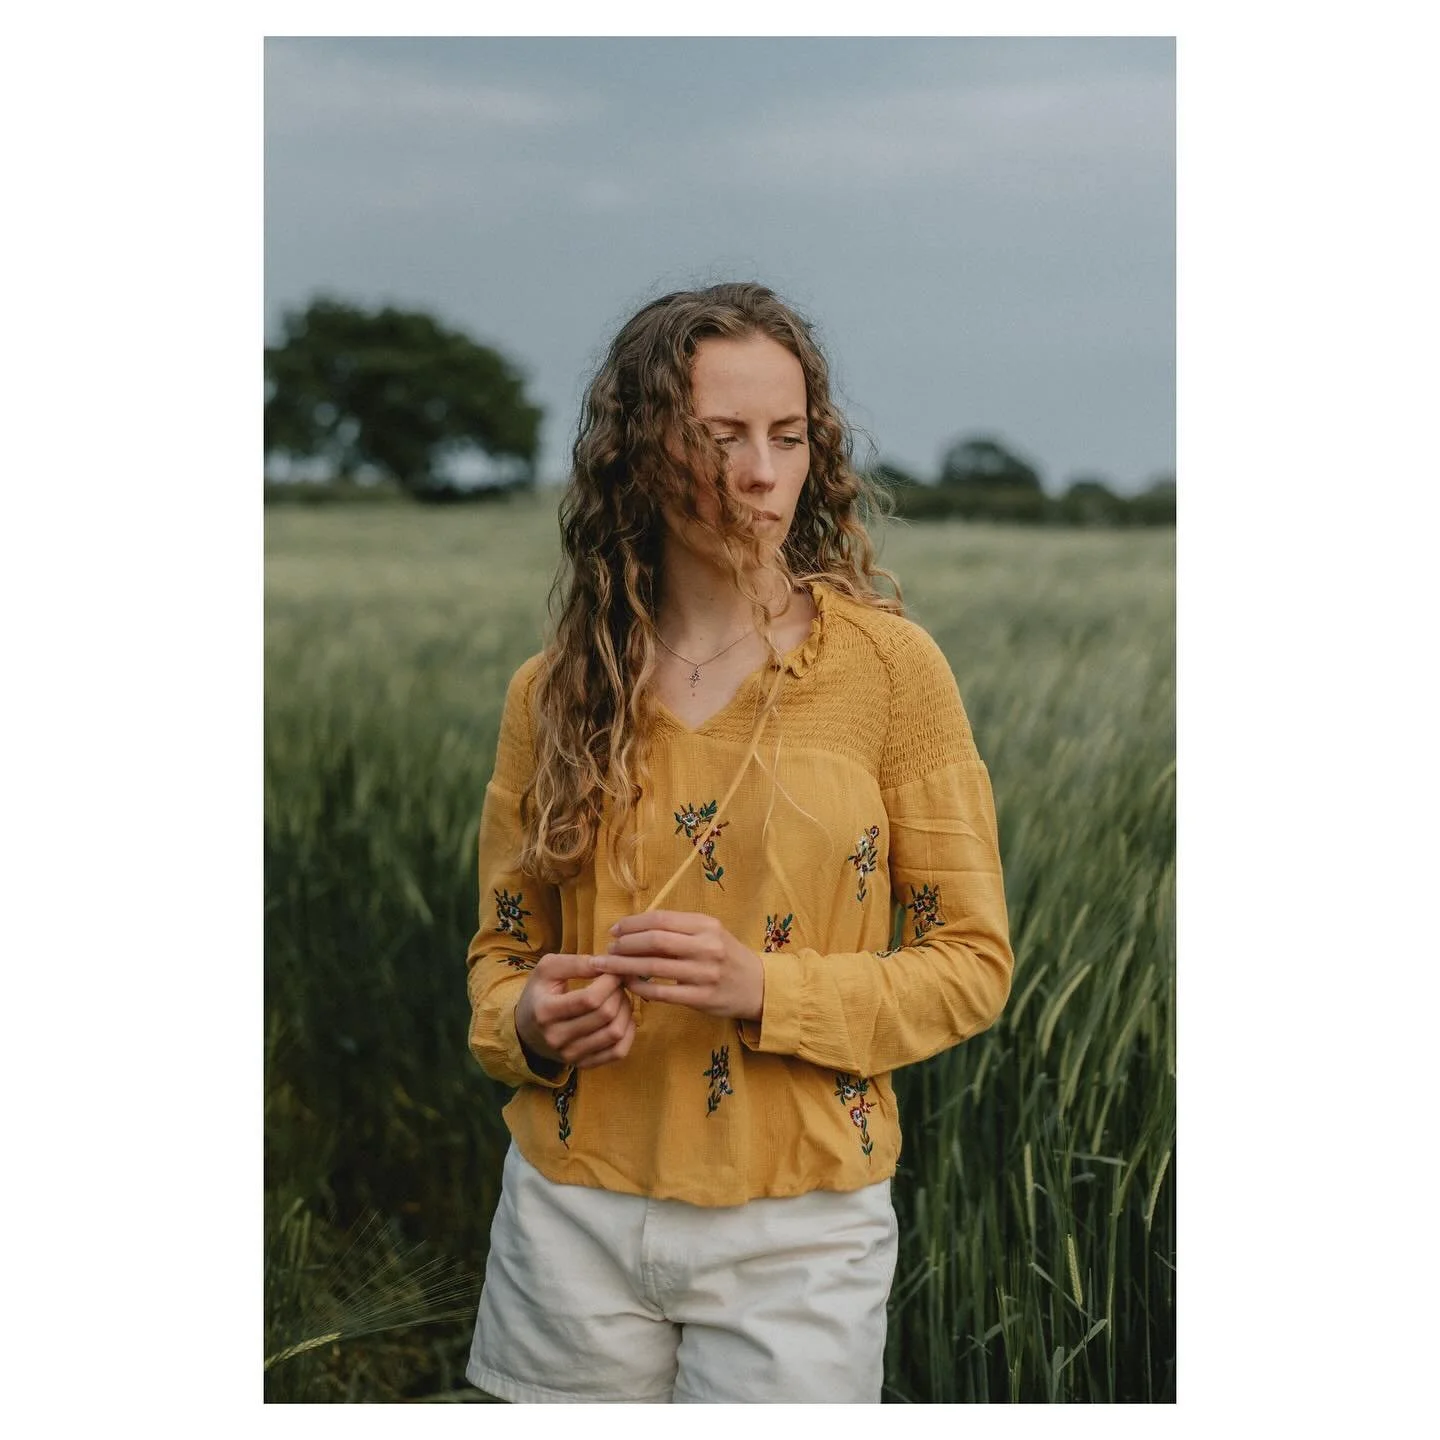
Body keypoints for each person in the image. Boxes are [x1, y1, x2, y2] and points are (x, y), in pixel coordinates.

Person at [463, 281, 1013, 1404]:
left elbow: (971, 966)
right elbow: (498, 957)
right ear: (639, 454)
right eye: (718, 439)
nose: (761, 474)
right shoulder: (555, 693)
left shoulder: (891, 674)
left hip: (800, 1237)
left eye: (788, 435)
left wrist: (765, 987)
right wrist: (530, 1019)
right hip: (569, 1210)